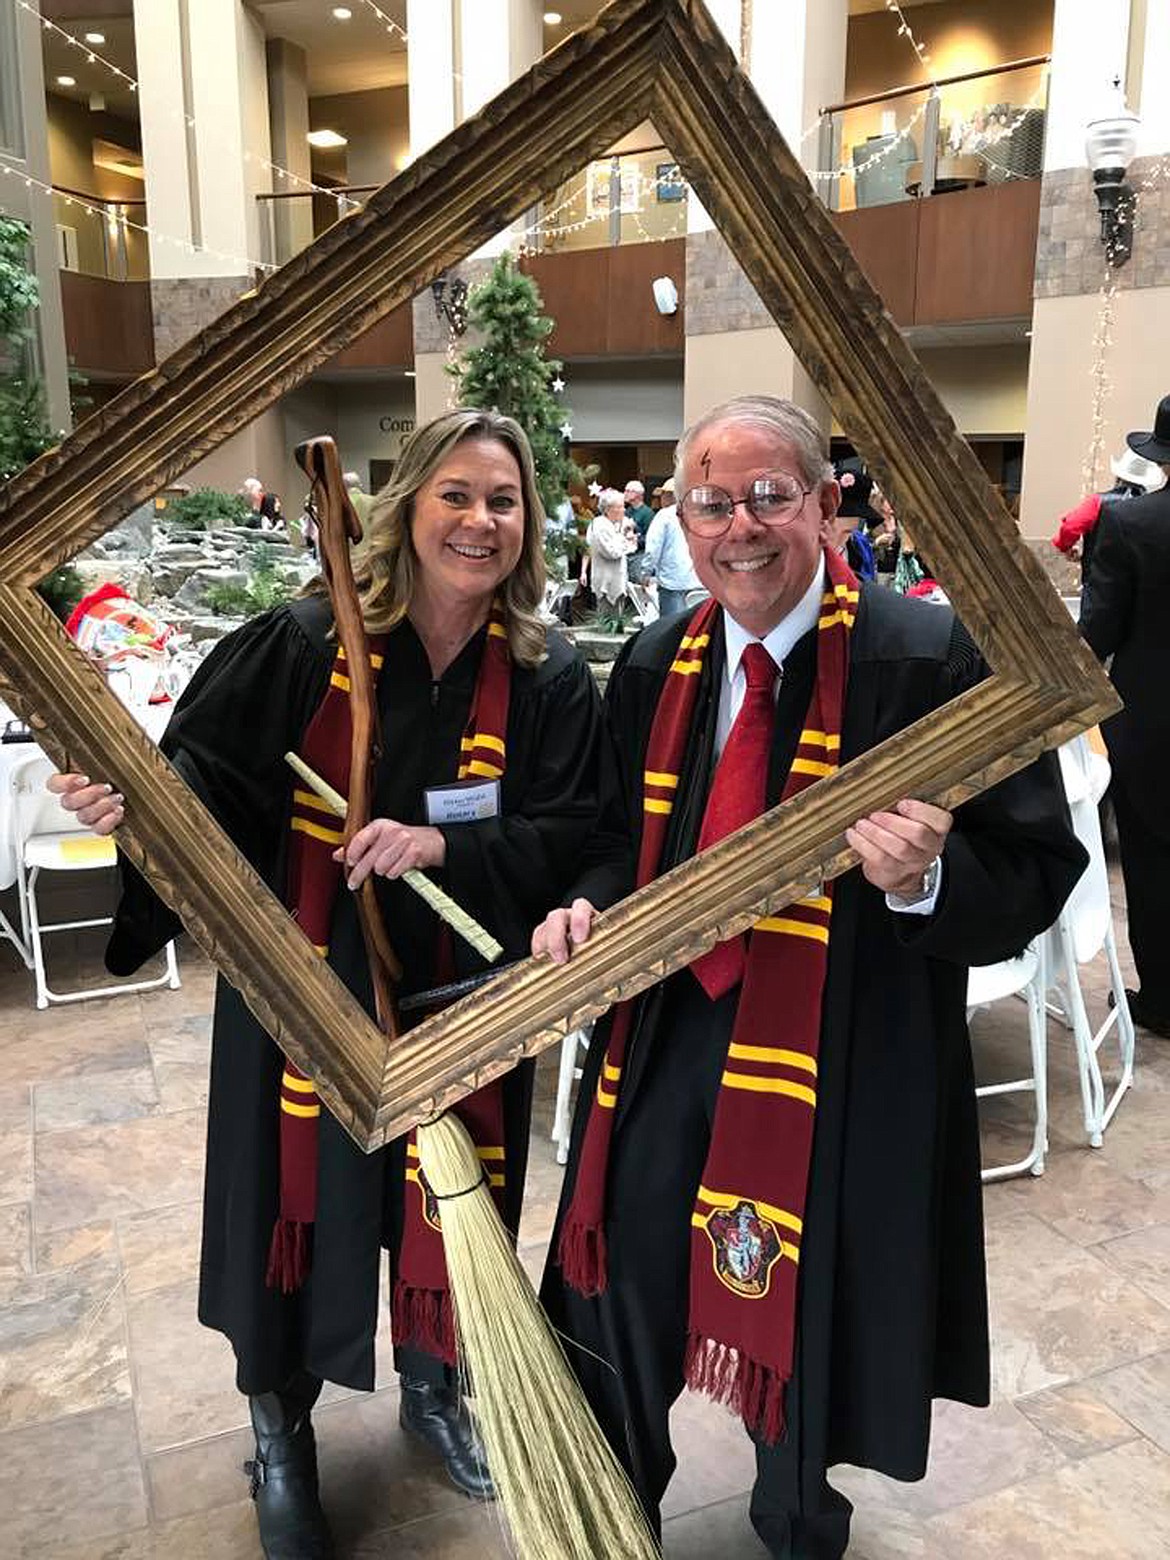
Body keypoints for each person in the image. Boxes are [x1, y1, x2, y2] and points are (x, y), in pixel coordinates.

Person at [532, 395, 1085, 1559]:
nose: (741, 526)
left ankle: (797, 1517)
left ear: (827, 504)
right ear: (681, 520)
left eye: (771, 495)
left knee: (811, 1286)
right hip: (670, 1027)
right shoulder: (653, 661)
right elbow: (600, 834)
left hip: (847, 1046)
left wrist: (925, 880)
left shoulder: (931, 659)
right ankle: (616, 1505)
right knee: (624, 1263)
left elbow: (1035, 866)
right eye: (712, 501)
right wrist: (582, 898)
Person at [51, 410, 604, 1559]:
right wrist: (134, 810)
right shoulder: (303, 643)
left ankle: (438, 1388)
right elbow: (200, 782)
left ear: (528, 526)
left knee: (456, 1210)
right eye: (456, 494)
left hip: (466, 997)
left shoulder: (547, 680)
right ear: (407, 507)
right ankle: (280, 1424)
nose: (479, 521)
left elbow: (579, 829)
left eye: (503, 501)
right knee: (291, 1209)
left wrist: (445, 848)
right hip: (306, 987)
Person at [1080, 393, 1170, 1038]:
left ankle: (1163, 1000)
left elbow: (1097, 635)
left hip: (1153, 727)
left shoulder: (1132, 527)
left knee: (1154, 862)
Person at [1051, 446, 1164, 584]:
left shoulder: (1097, 502)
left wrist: (1066, 546)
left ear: (1119, 476)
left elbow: (1070, 526)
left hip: (1099, 581)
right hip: (1140, 582)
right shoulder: (1153, 507)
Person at [642, 478, 703, 618]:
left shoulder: (664, 516)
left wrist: (645, 573)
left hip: (672, 582)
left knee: (673, 630)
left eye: (662, 495)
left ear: (668, 496)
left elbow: (652, 549)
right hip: (700, 582)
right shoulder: (700, 514)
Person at [588, 487, 635, 610]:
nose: (624, 510)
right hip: (605, 582)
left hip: (618, 580)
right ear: (608, 509)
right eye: (620, 507)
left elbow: (632, 547)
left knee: (617, 622)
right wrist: (625, 539)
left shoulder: (617, 524)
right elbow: (612, 552)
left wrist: (627, 538)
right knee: (607, 624)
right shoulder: (600, 525)